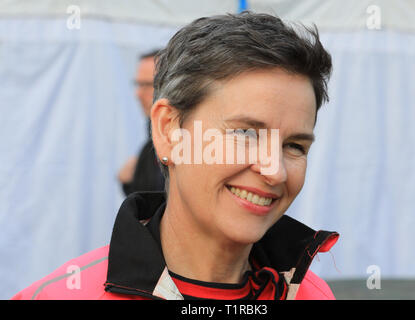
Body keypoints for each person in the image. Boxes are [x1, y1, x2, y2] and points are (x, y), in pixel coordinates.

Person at [12, 11, 338, 300]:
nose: (275, 171)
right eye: (245, 134)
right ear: (169, 131)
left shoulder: (312, 294)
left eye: (294, 145)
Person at [118, 50, 165, 195]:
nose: (138, 94)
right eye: (137, 84)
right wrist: (128, 183)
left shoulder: (186, 144)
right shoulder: (149, 148)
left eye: (146, 85)